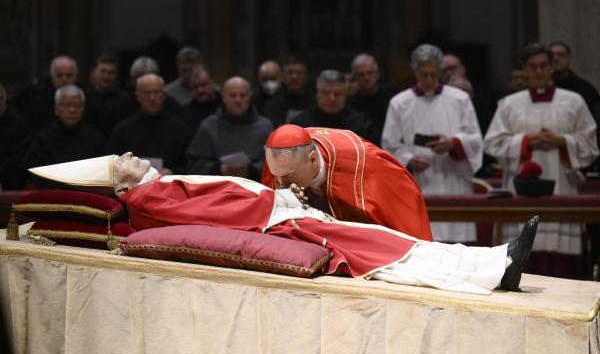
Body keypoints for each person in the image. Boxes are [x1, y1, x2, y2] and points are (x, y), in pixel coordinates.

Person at [29, 153, 540, 295]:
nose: (133, 155)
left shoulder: (156, 185)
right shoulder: (149, 199)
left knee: (386, 240)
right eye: (124, 160)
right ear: (120, 185)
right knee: (381, 252)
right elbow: (211, 214)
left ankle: (493, 261)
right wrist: (278, 207)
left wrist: (274, 199)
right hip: (280, 226)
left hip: (281, 213)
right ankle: (493, 269)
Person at [484, 42, 599, 279]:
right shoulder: (509, 104)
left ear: (552, 68)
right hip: (520, 194)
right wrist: (526, 142)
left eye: (544, 66)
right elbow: (492, 144)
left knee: (563, 272)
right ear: (524, 70)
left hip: (562, 190)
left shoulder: (573, 101)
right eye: (533, 67)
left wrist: (562, 141)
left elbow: (591, 145)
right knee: (522, 265)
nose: (538, 72)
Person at [382, 44, 483, 244]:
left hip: (453, 180)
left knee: (458, 246)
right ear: (415, 71)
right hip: (420, 181)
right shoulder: (399, 103)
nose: (428, 80)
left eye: (433, 74)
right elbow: (389, 144)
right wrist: (408, 159)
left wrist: (453, 144)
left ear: (439, 71)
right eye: (423, 74)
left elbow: (475, 138)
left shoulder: (459, 99)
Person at [261, 124, 432, 241]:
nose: (280, 184)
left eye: (289, 176)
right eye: (276, 175)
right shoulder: (283, 160)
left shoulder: (364, 164)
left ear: (313, 159)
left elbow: (402, 202)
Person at [186, 76, 272, 181]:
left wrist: (250, 171)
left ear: (250, 97)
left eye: (243, 95)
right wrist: (218, 169)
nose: (238, 100)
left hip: (256, 190)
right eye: (232, 95)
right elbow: (193, 166)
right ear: (223, 97)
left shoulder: (265, 127)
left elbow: (276, 166)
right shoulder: (208, 126)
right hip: (215, 190)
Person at [107, 74, 190, 174]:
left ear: (163, 95)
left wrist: (172, 172)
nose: (152, 98)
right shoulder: (123, 130)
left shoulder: (179, 129)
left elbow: (189, 164)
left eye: (156, 92)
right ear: (138, 96)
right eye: (147, 93)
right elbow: (112, 166)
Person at [22, 85, 104, 170]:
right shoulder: (43, 140)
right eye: (66, 105)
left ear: (83, 109)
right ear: (56, 109)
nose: (72, 110)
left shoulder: (95, 139)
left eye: (77, 105)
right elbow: (34, 171)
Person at [290, 70, 380, 144]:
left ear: (345, 93)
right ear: (317, 93)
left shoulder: (361, 124)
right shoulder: (301, 125)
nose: (332, 98)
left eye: (337, 93)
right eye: (326, 93)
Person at [22, 55, 79, 133]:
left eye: (69, 75)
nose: (64, 79)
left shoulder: (88, 100)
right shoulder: (38, 103)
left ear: (76, 76)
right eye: (59, 75)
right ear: (52, 77)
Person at [84, 54, 133, 137]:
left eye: (111, 73)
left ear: (116, 76)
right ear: (94, 73)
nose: (106, 76)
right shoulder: (85, 98)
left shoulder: (125, 100)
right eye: (102, 71)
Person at [347, 53, 393, 136]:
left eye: (370, 73)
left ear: (377, 74)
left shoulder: (390, 97)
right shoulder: (350, 102)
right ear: (355, 77)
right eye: (361, 74)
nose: (366, 78)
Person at [262, 56, 315, 127]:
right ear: (282, 76)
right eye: (290, 73)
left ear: (306, 76)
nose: (294, 77)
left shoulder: (316, 104)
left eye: (299, 73)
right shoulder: (272, 106)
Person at [549, 41, 599, 112]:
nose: (555, 58)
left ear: (569, 58)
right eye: (551, 55)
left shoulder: (586, 90)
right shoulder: (539, 88)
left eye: (561, 54)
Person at [0, 83, 31, 189]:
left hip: (10, 186)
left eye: (0, 98)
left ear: (5, 98)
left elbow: (19, 158)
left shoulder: (19, 125)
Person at [179, 65, 220, 132]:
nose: (200, 90)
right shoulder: (184, 113)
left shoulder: (224, 106)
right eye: (195, 87)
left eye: (204, 85)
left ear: (212, 83)